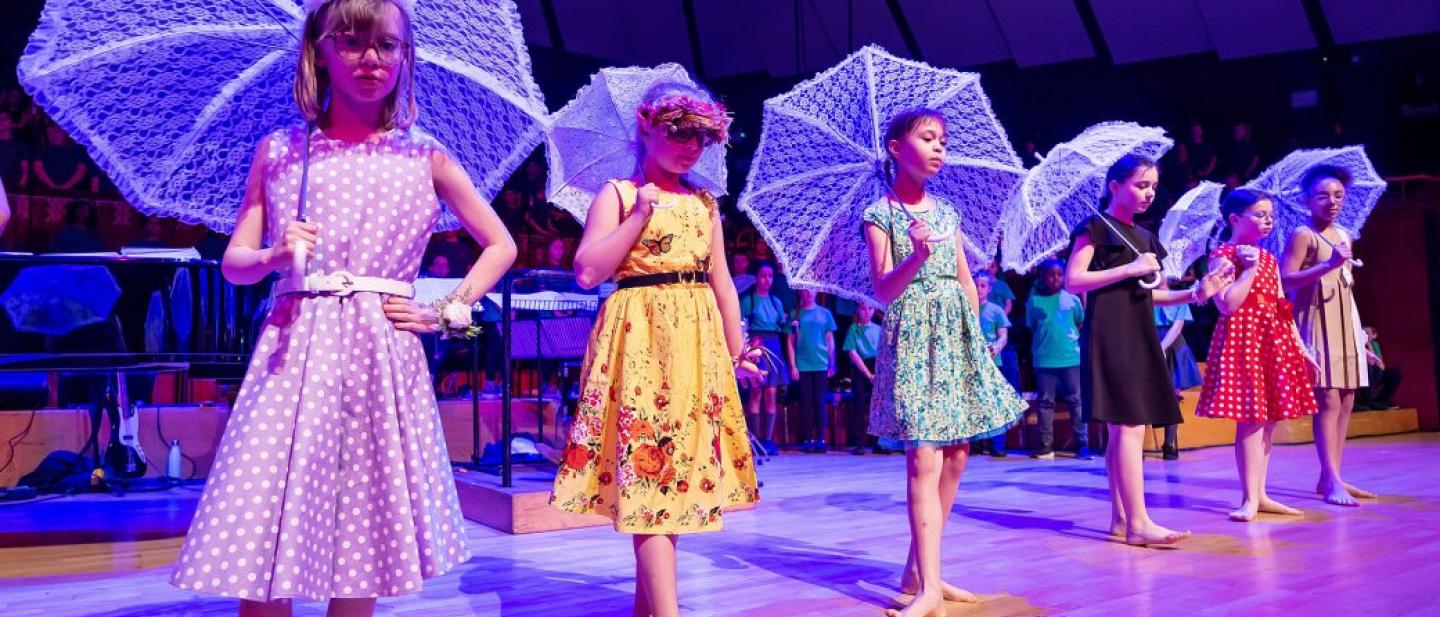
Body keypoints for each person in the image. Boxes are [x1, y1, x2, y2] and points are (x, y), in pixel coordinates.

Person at [169, 2, 519, 614]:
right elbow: (233, 262)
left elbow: (501, 244)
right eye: (352, 42)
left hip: (380, 351)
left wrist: (447, 310)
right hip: (294, 346)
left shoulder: (423, 154)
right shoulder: (281, 150)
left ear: (405, 55)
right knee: (268, 522)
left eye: (387, 45)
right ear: (319, 52)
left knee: (362, 534)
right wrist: (277, 254)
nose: (371, 58)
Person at [549, 80, 761, 617]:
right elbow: (587, 270)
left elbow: (723, 283)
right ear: (645, 127)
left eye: (701, 137)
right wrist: (639, 215)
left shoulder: (705, 203)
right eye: (678, 131)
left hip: (695, 342)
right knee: (651, 479)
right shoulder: (618, 194)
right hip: (640, 335)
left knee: (677, 479)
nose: (690, 145)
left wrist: (736, 353)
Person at [862, 108, 1025, 616]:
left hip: (955, 332)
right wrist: (913, 254)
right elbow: (884, 289)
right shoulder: (879, 213)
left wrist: (975, 339)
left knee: (956, 453)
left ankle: (919, 570)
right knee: (924, 456)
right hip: (913, 332)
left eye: (942, 141)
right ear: (896, 150)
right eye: (927, 139)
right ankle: (929, 589)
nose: (938, 148)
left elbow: (961, 278)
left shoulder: (948, 212)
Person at [1064, 154, 1232, 546]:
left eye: (1153, 186)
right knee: (1128, 424)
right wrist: (1129, 268)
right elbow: (1075, 279)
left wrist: (1195, 292)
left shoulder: (1143, 237)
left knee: (1125, 426)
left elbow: (1151, 296)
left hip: (1139, 332)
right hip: (1110, 332)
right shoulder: (1095, 227)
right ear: (1115, 186)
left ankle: (1121, 520)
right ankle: (1139, 522)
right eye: (1141, 185)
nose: (1149, 193)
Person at [1196, 188, 1317, 521]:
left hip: (1272, 337)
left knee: (1270, 417)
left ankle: (1262, 494)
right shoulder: (1224, 254)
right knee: (1251, 418)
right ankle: (1249, 497)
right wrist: (1247, 270)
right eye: (1260, 215)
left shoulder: (1268, 258)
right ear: (1236, 218)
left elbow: (1282, 304)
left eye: (1270, 216)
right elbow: (1226, 303)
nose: (1268, 221)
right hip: (1243, 337)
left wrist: (1301, 347)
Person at [1281, 164, 1378, 506]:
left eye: (1338, 195)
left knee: (1348, 397)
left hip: (1344, 321)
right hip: (1315, 320)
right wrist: (1328, 264)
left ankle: (1331, 476)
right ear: (1307, 200)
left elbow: (1345, 284)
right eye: (1322, 195)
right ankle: (1331, 477)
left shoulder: (1345, 235)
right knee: (1328, 399)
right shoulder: (1302, 235)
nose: (1331, 201)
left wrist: (1361, 337)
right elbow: (1286, 281)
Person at [1025, 259, 1089, 460]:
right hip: (1044, 360)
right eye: (1050, 275)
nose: (1055, 278)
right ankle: (1046, 446)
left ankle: (1082, 445)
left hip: (1070, 358)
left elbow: (1079, 323)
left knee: (1076, 401)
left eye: (1059, 274)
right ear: (1043, 277)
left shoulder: (1072, 300)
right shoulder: (1033, 302)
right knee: (1045, 402)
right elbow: (1032, 326)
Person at [739, 261, 789, 454]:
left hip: (773, 345)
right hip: (756, 345)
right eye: (762, 276)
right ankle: (754, 440)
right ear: (756, 277)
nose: (766, 280)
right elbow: (740, 325)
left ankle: (767, 439)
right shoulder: (748, 300)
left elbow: (782, 325)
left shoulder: (776, 302)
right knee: (756, 391)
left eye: (769, 276)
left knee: (771, 393)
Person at [1154, 277, 1203, 460]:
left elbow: (1177, 327)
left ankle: (1170, 442)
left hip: (1172, 345)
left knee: (1173, 395)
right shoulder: (1144, 295)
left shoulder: (1178, 296)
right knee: (1146, 393)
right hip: (1151, 340)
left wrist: (1162, 347)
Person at [788, 289, 837, 452]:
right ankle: (808, 439)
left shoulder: (825, 313)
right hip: (803, 365)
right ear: (801, 292)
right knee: (806, 403)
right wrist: (793, 365)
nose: (809, 292)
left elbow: (830, 340)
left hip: (821, 364)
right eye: (806, 290)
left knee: (819, 402)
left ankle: (821, 439)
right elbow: (791, 342)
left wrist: (832, 362)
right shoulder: (796, 314)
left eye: (812, 289)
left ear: (816, 291)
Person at [843, 302, 882, 455]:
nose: (866, 312)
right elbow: (852, 353)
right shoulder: (854, 329)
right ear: (858, 309)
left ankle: (878, 442)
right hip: (861, 368)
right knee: (859, 404)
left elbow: (884, 351)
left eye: (870, 309)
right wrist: (868, 374)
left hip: (877, 367)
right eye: (863, 309)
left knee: (877, 406)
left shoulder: (879, 329)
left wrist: (877, 373)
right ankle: (858, 443)